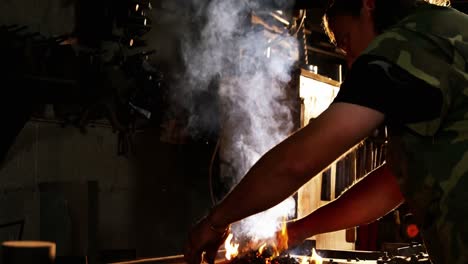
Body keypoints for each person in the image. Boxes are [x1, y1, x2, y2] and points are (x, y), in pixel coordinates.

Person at [184, 0, 468, 263]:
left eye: (346, 41)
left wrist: (216, 222)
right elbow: (394, 184)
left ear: (368, 5)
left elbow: (295, 164)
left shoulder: (401, 47)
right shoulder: (447, 30)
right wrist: (295, 232)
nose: (351, 61)